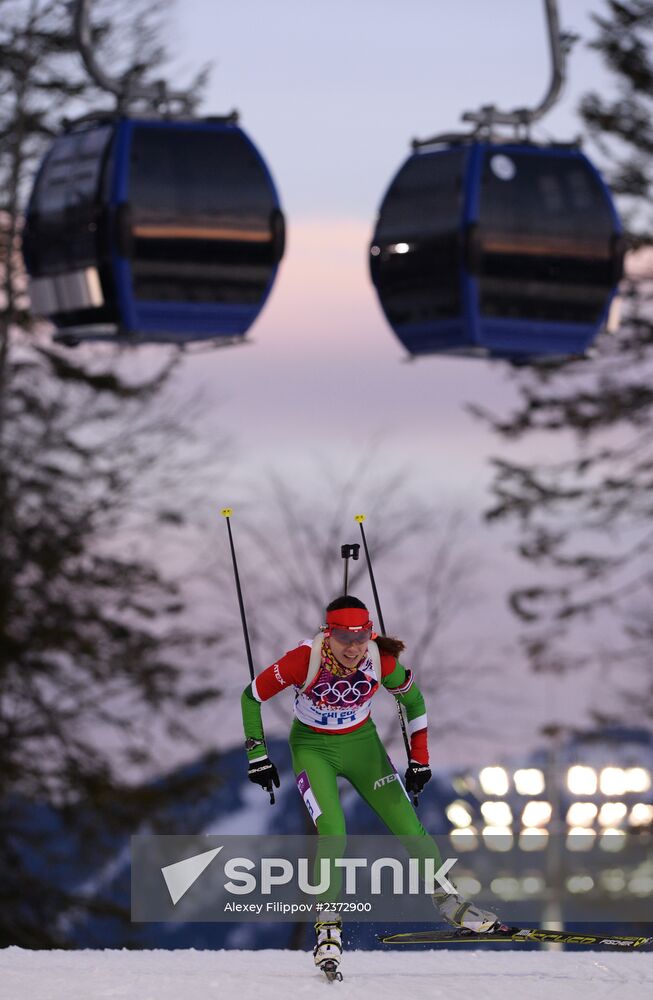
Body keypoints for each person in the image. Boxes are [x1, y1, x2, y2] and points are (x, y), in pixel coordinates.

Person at [241, 595, 498, 977]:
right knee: (333, 832)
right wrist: (258, 756)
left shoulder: (381, 661)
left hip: (363, 746)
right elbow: (251, 697)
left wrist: (420, 760)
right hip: (313, 749)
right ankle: (327, 928)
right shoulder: (302, 660)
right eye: (345, 637)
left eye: (362, 637)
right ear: (328, 635)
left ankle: (451, 903)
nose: (354, 647)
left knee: (409, 826)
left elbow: (413, 701)